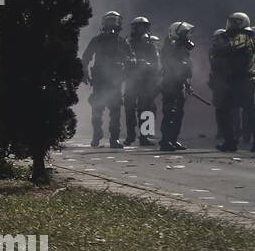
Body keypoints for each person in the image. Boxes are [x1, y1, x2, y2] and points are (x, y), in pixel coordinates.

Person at [81, 11, 131, 149]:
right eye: (110, 21)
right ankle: (97, 135)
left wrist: (129, 63)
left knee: (115, 111)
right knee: (97, 109)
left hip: (115, 81)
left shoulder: (121, 41)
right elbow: (86, 57)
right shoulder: (97, 40)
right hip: (100, 80)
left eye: (114, 21)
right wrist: (84, 72)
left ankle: (114, 139)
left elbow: (131, 57)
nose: (112, 25)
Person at [215, 12, 255, 153]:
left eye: (235, 22)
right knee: (226, 110)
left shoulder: (243, 37)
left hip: (244, 80)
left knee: (249, 112)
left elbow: (227, 49)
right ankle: (231, 142)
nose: (231, 25)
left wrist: (220, 44)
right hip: (237, 80)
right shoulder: (241, 37)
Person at [123, 16, 160, 147]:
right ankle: (130, 136)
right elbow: (123, 58)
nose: (143, 29)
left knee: (146, 109)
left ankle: (145, 136)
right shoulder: (128, 43)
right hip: (132, 80)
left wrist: (147, 64)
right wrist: (133, 63)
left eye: (144, 26)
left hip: (146, 81)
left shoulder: (150, 45)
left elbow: (156, 63)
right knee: (129, 109)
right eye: (140, 26)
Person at [158, 21, 194, 151]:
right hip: (170, 84)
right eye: (184, 34)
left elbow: (188, 67)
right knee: (169, 113)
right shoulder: (168, 47)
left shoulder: (183, 48)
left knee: (179, 114)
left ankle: (173, 139)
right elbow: (168, 63)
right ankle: (165, 141)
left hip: (180, 84)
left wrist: (188, 83)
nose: (187, 36)